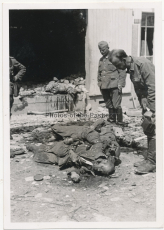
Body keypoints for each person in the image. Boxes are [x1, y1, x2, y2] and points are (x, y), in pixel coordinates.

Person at [108, 49, 155, 174]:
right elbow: (141, 90)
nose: (118, 68)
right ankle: (150, 159)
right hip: (148, 102)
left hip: (156, 101)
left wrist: (151, 109)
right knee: (149, 129)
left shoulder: (143, 64)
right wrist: (144, 107)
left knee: (153, 128)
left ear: (124, 60)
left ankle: (152, 162)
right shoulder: (131, 69)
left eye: (118, 65)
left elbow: (153, 87)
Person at [97, 41, 127, 125]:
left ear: (107, 48)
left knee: (116, 104)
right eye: (100, 50)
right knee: (109, 104)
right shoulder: (101, 60)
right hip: (104, 85)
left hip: (114, 84)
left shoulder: (115, 57)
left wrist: (121, 84)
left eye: (103, 49)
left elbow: (122, 71)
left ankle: (120, 121)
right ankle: (112, 120)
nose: (101, 51)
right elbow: (99, 72)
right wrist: (99, 83)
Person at [10, 56, 26, 139]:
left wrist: (16, 77)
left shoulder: (10, 60)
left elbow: (23, 68)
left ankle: (6, 132)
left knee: (7, 110)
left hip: (8, 87)